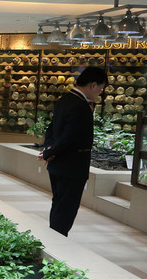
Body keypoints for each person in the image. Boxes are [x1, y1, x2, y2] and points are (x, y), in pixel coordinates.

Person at [39, 66, 107, 237]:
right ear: (93, 85)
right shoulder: (80, 105)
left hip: (59, 163)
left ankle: (54, 238)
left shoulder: (65, 99)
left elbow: (51, 129)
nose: (100, 92)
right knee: (66, 207)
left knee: (59, 203)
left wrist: (49, 149)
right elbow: (69, 136)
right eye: (101, 88)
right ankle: (57, 242)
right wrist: (51, 151)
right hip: (72, 165)